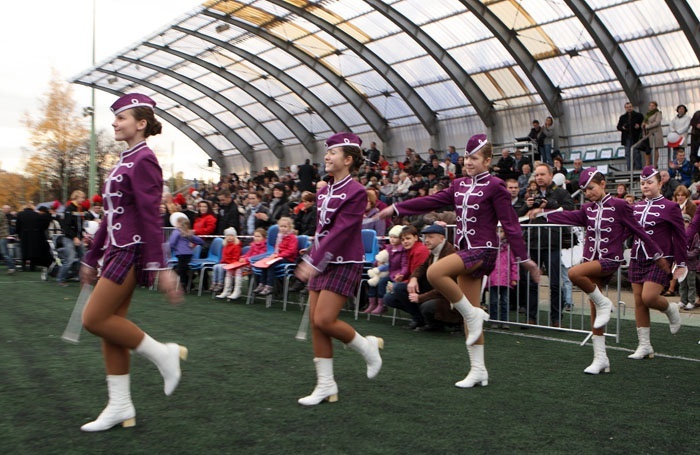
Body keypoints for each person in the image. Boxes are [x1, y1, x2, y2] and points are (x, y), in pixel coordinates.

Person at [378, 134, 540, 388]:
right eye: (466, 158)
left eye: (474, 158)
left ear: (487, 160)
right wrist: (398, 208)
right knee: (469, 316)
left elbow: (510, 224)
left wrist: (525, 259)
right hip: (467, 252)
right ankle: (478, 370)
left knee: (435, 273)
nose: (468, 162)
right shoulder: (460, 184)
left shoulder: (496, 185)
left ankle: (474, 316)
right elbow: (431, 201)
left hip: (483, 250)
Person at [78, 93, 186, 432]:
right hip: (115, 249)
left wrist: (162, 265)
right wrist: (92, 256)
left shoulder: (145, 160)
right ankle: (120, 407)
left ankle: (163, 354)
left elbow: (150, 217)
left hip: (132, 251)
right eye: (114, 117)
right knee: (111, 329)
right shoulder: (123, 161)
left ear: (141, 123)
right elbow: (110, 216)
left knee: (93, 318)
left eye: (121, 117)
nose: (114, 122)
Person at [536, 167, 670, 373]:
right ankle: (601, 358)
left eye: (591, 188)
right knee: (594, 310)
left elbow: (639, 231)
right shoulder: (588, 209)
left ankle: (604, 303)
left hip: (609, 260)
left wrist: (658, 255)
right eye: (584, 191)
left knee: (573, 273)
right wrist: (544, 215)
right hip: (592, 259)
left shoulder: (619, 205)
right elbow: (570, 217)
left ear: (603, 184)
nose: (588, 193)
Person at [293, 132, 384, 406]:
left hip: (345, 261)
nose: (327, 156)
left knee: (324, 320)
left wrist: (312, 261)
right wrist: (312, 252)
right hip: (322, 260)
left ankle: (367, 346)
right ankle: (326, 385)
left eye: (332, 153)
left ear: (347, 159)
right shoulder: (324, 191)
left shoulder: (357, 192)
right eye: (327, 152)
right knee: (316, 325)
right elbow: (323, 230)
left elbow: (343, 231)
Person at [626, 166, 686, 360]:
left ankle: (671, 309)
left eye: (650, 182)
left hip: (660, 259)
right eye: (642, 183)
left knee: (649, 297)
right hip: (637, 257)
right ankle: (644, 345)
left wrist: (681, 263)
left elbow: (680, 236)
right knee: (638, 302)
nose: (645, 186)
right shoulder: (635, 206)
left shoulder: (670, 207)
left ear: (660, 183)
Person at [518, 163, 575, 327]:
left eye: (542, 174)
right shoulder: (530, 193)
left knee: (555, 283)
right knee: (531, 283)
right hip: (533, 243)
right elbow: (518, 216)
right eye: (537, 175)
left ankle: (556, 318)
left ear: (550, 175)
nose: (539, 177)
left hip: (552, 243)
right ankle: (531, 317)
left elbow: (570, 209)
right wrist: (526, 206)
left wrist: (548, 204)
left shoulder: (561, 193)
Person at [383, 223, 459, 331]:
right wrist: (413, 279)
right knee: (390, 297)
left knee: (424, 304)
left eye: (431, 237)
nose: (426, 240)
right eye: (426, 237)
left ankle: (439, 323)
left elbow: (444, 287)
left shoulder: (447, 254)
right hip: (432, 288)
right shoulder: (435, 250)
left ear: (442, 238)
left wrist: (420, 297)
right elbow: (421, 268)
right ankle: (422, 319)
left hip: (447, 296)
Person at [363, 224, 408, 315]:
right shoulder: (389, 248)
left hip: (396, 274)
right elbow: (381, 257)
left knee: (382, 282)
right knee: (373, 281)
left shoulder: (403, 250)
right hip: (389, 271)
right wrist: (377, 263)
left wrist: (402, 274)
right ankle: (372, 303)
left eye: (395, 237)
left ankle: (381, 304)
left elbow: (404, 265)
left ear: (400, 239)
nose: (392, 239)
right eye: (391, 237)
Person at [256, 216, 298, 296]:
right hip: (279, 257)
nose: (283, 228)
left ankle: (269, 286)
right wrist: (275, 255)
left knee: (271, 264)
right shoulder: (280, 237)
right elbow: (277, 248)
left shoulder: (292, 238)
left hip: (288, 259)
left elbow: (291, 251)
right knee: (265, 263)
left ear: (290, 227)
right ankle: (262, 283)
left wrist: (278, 255)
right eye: (281, 226)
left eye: (285, 226)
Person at [486, 227, 518, 328]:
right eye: (497, 231)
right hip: (493, 278)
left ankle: (505, 321)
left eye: (501, 231)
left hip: (506, 278)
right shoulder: (490, 247)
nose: (499, 234)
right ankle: (494, 320)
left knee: (505, 301)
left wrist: (514, 278)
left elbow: (514, 263)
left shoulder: (509, 248)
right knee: (493, 301)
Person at [57, 190, 87, 286]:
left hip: (78, 237)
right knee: (69, 259)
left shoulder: (80, 209)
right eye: (82, 197)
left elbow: (79, 224)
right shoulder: (69, 208)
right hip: (70, 238)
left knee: (83, 258)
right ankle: (60, 279)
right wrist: (74, 237)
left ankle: (76, 275)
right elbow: (66, 226)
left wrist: (82, 234)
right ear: (76, 197)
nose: (83, 199)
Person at [169, 215, 204, 293]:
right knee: (183, 269)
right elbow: (199, 240)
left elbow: (172, 242)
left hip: (180, 253)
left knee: (180, 270)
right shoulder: (188, 233)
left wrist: (174, 248)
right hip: (188, 253)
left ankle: (184, 284)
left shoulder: (176, 232)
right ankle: (189, 282)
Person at [15, 201, 52, 272]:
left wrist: (17, 233)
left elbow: (18, 226)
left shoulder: (20, 214)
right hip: (35, 235)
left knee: (24, 250)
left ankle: (23, 266)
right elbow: (43, 224)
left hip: (24, 234)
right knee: (33, 251)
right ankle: (32, 267)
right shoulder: (37, 215)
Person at [213, 227, 243, 299]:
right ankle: (215, 283)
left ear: (235, 236)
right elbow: (224, 256)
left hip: (231, 263)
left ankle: (220, 284)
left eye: (231, 235)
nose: (229, 237)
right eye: (228, 235)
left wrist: (228, 263)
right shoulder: (225, 245)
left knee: (221, 267)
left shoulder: (236, 246)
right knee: (216, 266)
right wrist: (222, 262)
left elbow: (235, 258)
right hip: (226, 262)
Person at [617, 102, 644, 170]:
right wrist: (623, 128)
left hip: (636, 137)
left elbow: (643, 125)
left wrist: (639, 127)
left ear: (632, 107)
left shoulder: (638, 115)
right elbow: (618, 127)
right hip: (627, 138)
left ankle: (638, 168)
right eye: (627, 107)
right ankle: (630, 169)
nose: (629, 108)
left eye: (630, 107)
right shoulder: (623, 117)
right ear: (625, 108)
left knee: (636, 153)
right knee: (628, 154)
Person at [681, 214, 698, 310]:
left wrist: (687, 255)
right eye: (682, 221)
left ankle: (691, 301)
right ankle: (683, 300)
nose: (684, 224)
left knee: (691, 283)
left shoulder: (695, 236)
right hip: (681, 264)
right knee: (682, 283)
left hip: (691, 264)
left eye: (686, 222)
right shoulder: (678, 233)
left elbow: (697, 249)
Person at [642, 101, 663, 167]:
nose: (651, 107)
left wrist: (647, 126)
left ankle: (655, 164)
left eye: (653, 106)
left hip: (655, 133)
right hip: (647, 134)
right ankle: (648, 164)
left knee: (655, 148)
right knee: (647, 149)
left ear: (656, 106)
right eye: (650, 105)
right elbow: (644, 122)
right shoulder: (647, 114)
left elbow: (657, 122)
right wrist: (643, 125)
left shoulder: (658, 113)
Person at [0, 204, 15, 274]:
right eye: (7, 209)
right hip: (3, 236)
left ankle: (11, 267)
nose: (8, 210)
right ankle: (11, 267)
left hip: (2, 236)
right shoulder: (2, 215)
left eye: (8, 209)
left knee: (5, 253)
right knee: (5, 253)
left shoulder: (2, 214)